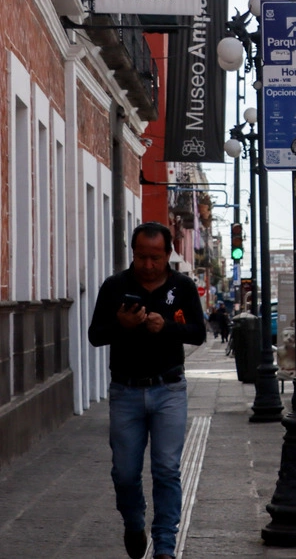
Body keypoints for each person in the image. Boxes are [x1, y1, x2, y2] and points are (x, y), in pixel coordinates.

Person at [88, 222, 206, 559]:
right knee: (125, 472)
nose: (148, 265)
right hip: (125, 390)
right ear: (133, 253)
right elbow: (95, 335)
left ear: (167, 254)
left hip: (169, 388)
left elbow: (198, 333)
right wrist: (120, 325)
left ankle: (165, 546)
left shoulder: (182, 286)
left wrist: (167, 327)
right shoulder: (115, 286)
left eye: (155, 257)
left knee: (167, 468)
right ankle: (133, 521)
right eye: (141, 257)